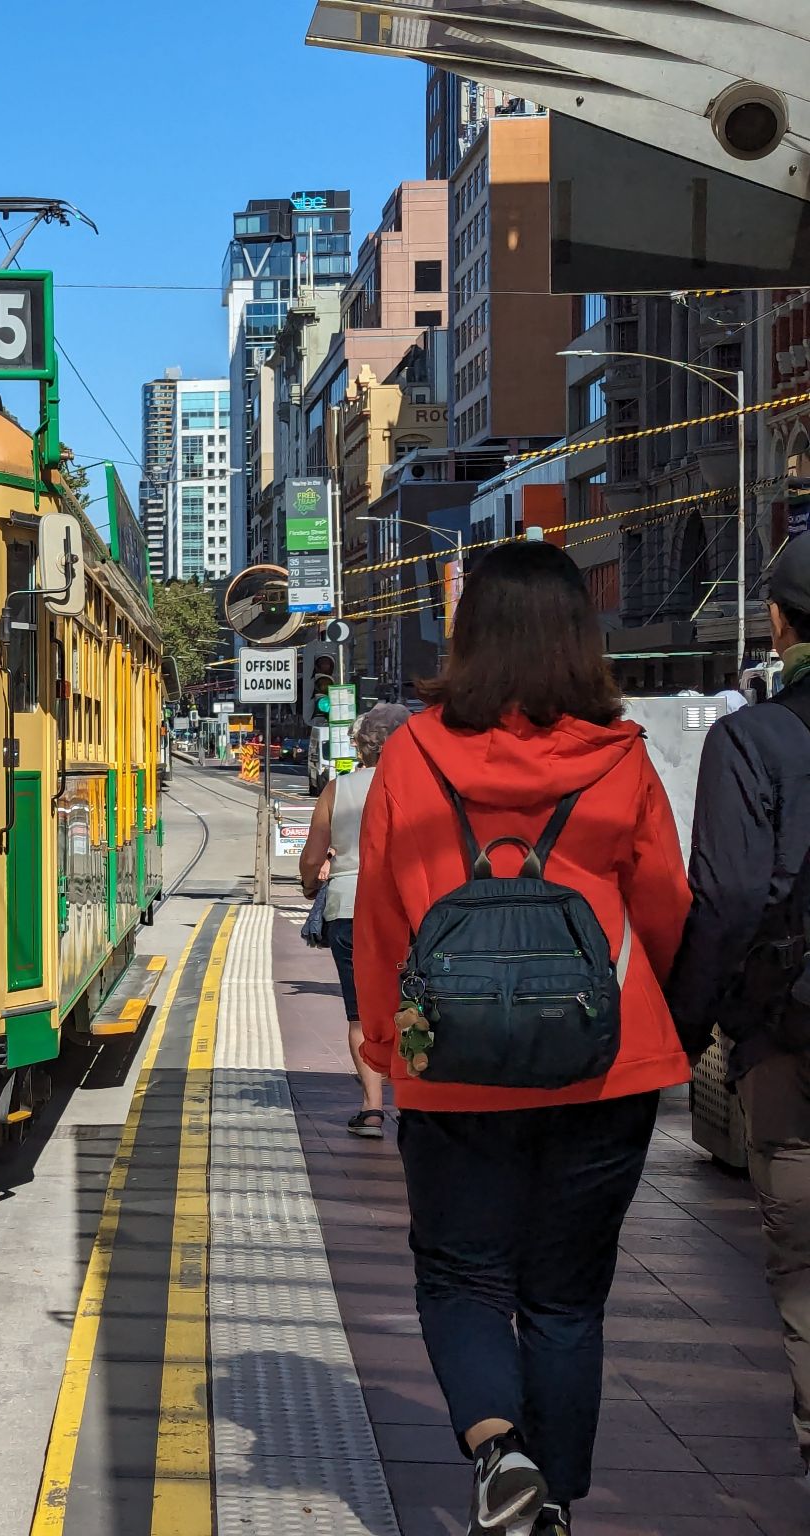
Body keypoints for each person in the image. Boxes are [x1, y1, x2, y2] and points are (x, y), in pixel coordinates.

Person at [354, 542, 692, 1536]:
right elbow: (666, 903)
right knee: (567, 1298)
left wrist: (388, 1046)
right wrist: (638, 1006)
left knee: (460, 1276)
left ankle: (498, 1452)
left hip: (451, 1070)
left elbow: (378, 913)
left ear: (468, 637)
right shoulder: (620, 755)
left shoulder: (413, 752)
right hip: (605, 1068)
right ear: (581, 641)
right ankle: (556, 1503)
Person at [667, 536, 810, 1498]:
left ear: (777, 619)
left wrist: (684, 1031)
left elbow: (722, 904)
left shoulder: (752, 740)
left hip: (791, 1037)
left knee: (802, 1256)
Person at [299, 702, 411, 1139]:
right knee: (413, 1005)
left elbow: (312, 856)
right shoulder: (423, 786)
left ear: (360, 745)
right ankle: (415, 1101)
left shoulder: (337, 790)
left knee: (361, 1013)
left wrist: (311, 884)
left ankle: (371, 1109)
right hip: (409, 910)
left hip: (350, 907)